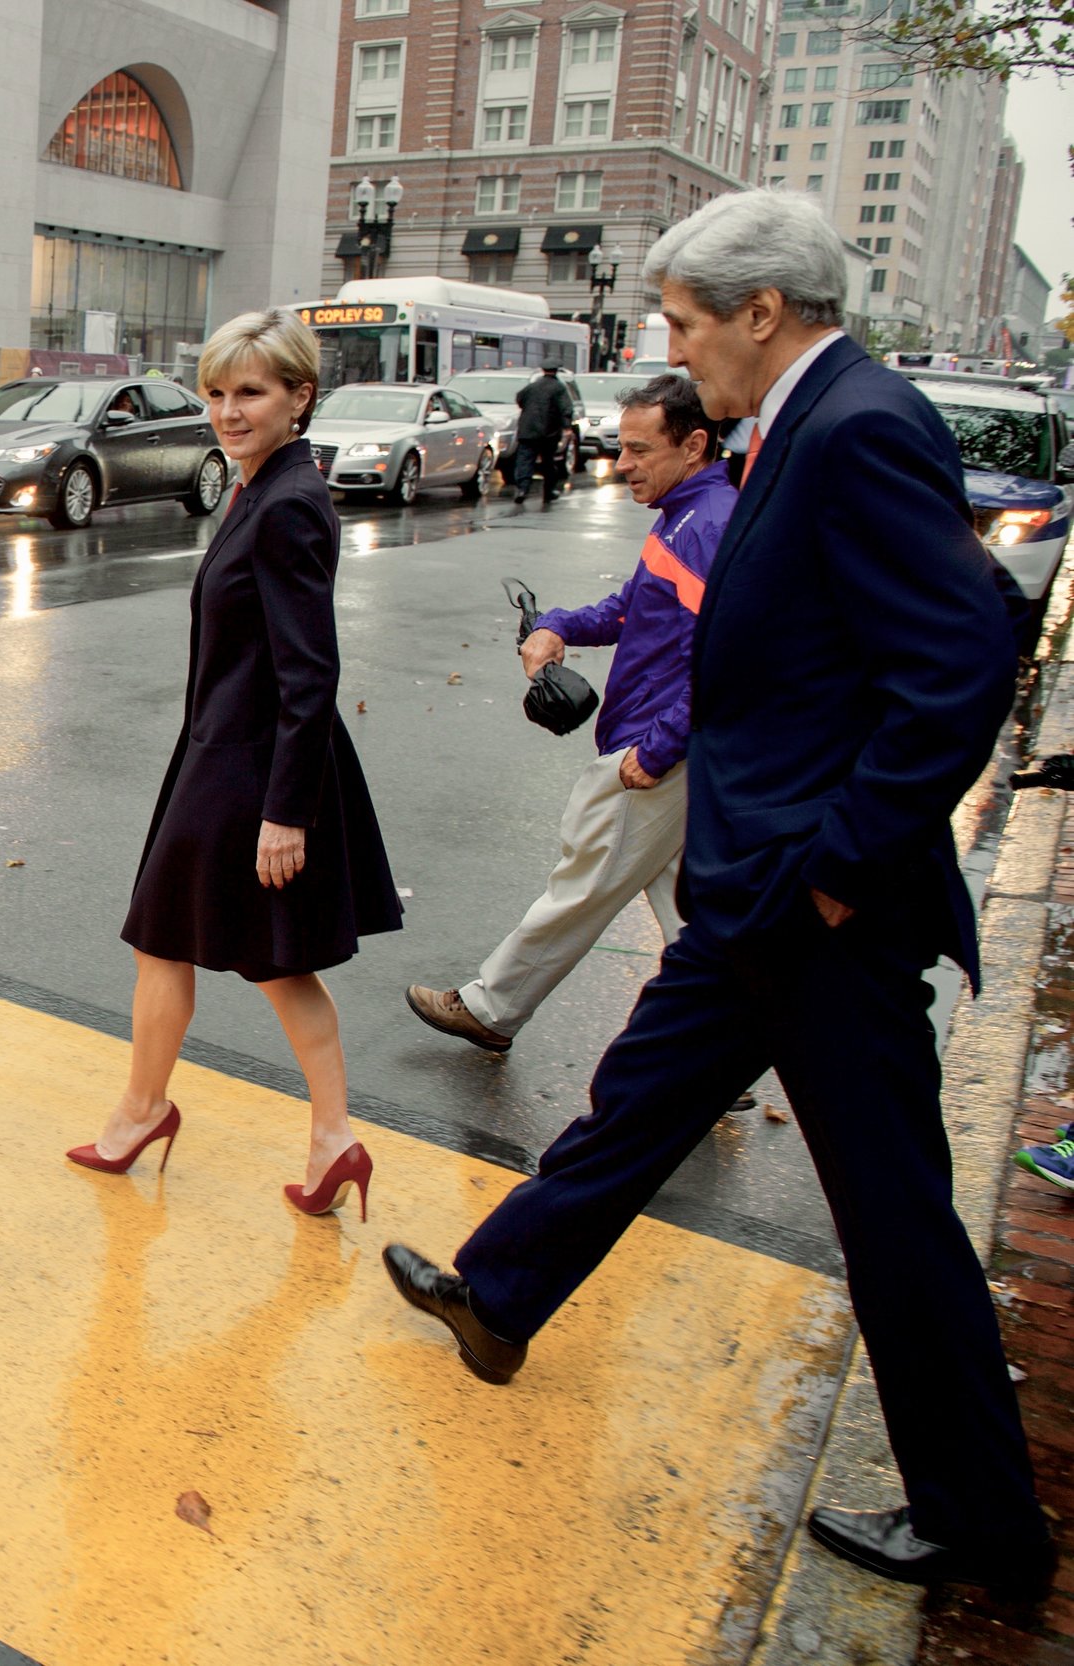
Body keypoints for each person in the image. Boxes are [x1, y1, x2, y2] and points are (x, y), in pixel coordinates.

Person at [385, 189, 1055, 1599]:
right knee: (640, 1094)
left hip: (819, 900)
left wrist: (833, 874)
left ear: (763, 312)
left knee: (893, 1214)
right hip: (758, 882)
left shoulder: (861, 424)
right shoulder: (801, 420)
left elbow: (954, 674)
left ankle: (985, 1525)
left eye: (686, 322)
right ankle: (498, 1293)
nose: (673, 347)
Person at [70, 310, 401, 1215]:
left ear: (300, 396)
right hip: (229, 752)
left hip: (246, 766)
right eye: (216, 392)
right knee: (273, 960)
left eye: (250, 392)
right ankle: (331, 1139)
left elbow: (310, 673)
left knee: (167, 940)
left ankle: (144, 1109)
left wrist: (285, 811)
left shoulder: (288, 503)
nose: (227, 410)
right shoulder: (265, 485)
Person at [407, 374, 732, 1051]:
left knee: (584, 881)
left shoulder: (708, 527)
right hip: (671, 746)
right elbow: (633, 610)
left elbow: (724, 659)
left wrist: (657, 749)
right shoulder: (690, 515)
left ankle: (491, 1008)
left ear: (695, 444)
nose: (622, 464)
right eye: (623, 446)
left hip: (652, 749)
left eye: (641, 450)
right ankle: (717, 1047)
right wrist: (558, 625)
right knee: (691, 917)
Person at [505, 364, 574, 506]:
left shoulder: (532, 386)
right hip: (549, 432)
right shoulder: (559, 388)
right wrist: (567, 426)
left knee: (525, 460)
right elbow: (566, 408)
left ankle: (522, 489)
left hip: (527, 430)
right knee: (548, 462)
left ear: (543, 370)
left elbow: (519, 398)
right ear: (556, 371)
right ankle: (548, 491)